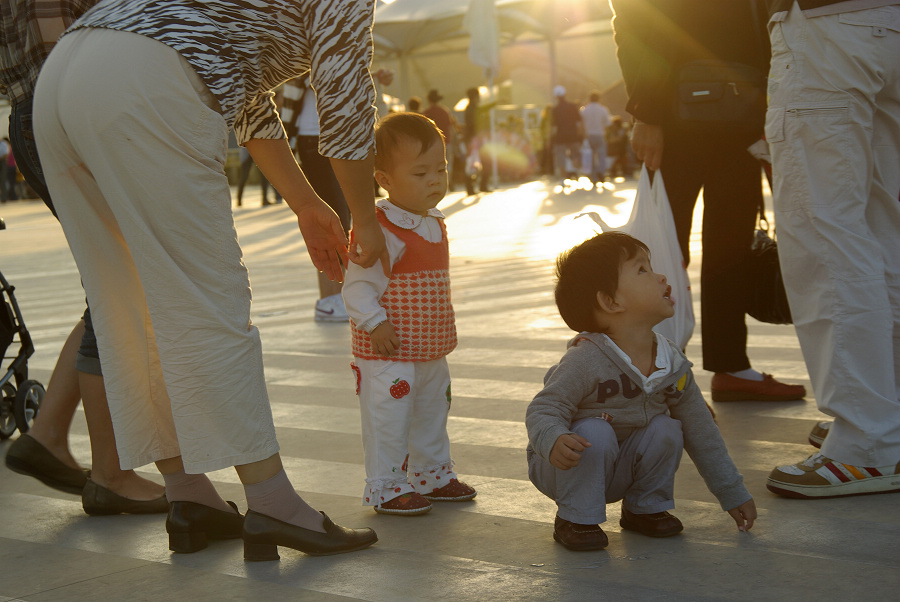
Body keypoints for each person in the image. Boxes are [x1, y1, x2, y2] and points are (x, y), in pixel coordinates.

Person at [33, 0, 387, 560]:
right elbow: (342, 91)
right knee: (208, 302)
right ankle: (273, 503)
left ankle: (189, 495)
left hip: (67, 75)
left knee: (126, 301)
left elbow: (237, 87)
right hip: (145, 77)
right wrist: (364, 218)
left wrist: (305, 203)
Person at [1, 0, 167, 515]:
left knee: (112, 283)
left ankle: (50, 431)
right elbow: (62, 61)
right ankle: (110, 472)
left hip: (49, 115)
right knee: (118, 284)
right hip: (69, 115)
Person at [610, 0, 806, 402]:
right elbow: (633, 21)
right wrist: (646, 113)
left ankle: (731, 365)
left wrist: (770, 111)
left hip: (742, 117)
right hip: (674, 120)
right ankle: (655, 375)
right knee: (660, 252)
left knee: (731, 250)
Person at [526, 232, 757, 551]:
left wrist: (732, 492)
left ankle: (644, 508)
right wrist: (552, 439)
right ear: (610, 301)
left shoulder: (670, 363)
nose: (661, 276)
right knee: (596, 429)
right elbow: (544, 409)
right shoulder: (586, 358)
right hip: (564, 465)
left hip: (620, 467)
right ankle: (576, 517)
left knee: (666, 427)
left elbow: (701, 429)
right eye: (642, 270)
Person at [764, 0, 900, 498]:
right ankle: (888, 418)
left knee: (826, 237)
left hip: (827, 27)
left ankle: (868, 442)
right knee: (883, 229)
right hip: (889, 24)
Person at [342, 112, 476, 516]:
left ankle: (432, 474)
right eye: (420, 173)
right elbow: (358, 285)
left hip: (430, 344)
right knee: (390, 416)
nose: (435, 179)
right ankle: (387, 485)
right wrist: (374, 323)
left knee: (433, 408)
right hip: (389, 348)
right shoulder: (379, 227)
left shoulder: (434, 221)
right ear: (384, 179)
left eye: (441, 168)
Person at [281, 75, 351, 322]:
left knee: (341, 218)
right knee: (332, 219)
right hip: (314, 139)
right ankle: (330, 299)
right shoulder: (310, 51)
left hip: (331, 139)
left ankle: (335, 296)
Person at [421, 89, 457, 190]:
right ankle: (449, 181)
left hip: (433, 143)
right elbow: (451, 127)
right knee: (448, 163)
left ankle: (439, 184)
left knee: (435, 165)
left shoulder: (427, 112)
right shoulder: (445, 111)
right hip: (447, 141)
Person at [550, 85, 583, 182]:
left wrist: (551, 138)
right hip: (573, 135)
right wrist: (581, 134)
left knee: (561, 157)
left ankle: (562, 178)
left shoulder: (555, 109)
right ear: (565, 94)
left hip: (560, 137)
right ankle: (577, 172)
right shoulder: (572, 107)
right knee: (576, 155)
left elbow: (553, 126)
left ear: (556, 96)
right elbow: (579, 121)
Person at [463, 87, 492, 195]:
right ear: (475, 97)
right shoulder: (472, 109)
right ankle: (478, 186)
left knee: (473, 163)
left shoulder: (471, 108)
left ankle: (475, 187)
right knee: (479, 163)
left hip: (472, 140)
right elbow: (472, 125)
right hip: (474, 140)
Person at [580, 91, 611, 184]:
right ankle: (601, 172)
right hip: (600, 134)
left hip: (588, 135)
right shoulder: (603, 109)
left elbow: (580, 124)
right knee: (601, 155)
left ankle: (593, 176)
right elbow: (608, 123)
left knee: (591, 156)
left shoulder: (584, 110)